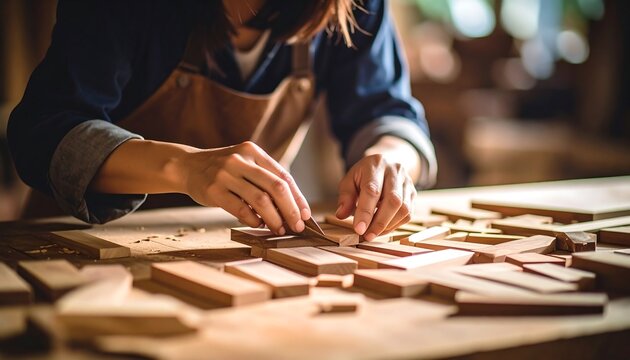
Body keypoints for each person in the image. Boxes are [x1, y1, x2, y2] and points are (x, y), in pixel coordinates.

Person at [8, 0, 437, 241]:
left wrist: (389, 159)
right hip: (77, 247)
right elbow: (41, 133)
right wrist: (186, 167)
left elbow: (387, 114)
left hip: (233, 250)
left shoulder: (350, 6)